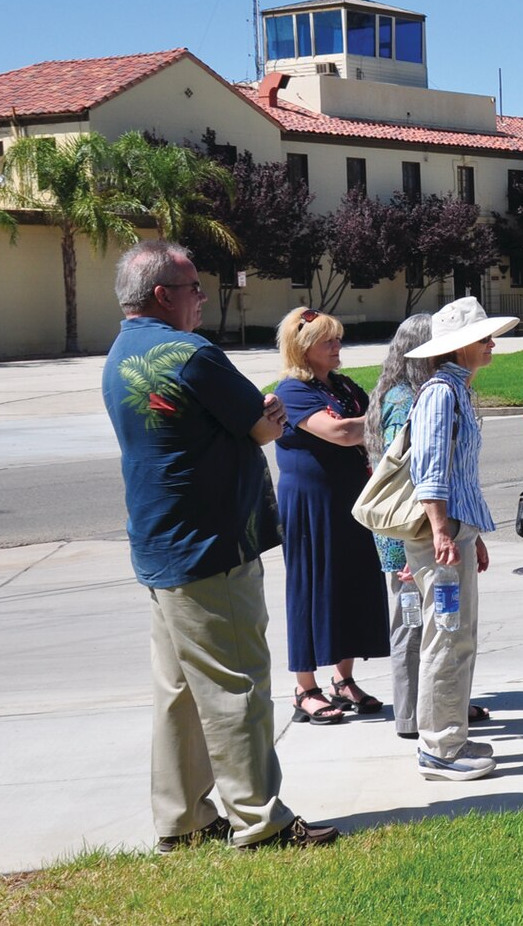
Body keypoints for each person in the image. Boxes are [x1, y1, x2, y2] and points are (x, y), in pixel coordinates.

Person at [100, 240, 337, 851]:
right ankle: (260, 821)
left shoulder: (120, 352)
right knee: (238, 687)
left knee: (179, 694)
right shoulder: (190, 354)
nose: (200, 299)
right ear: (161, 296)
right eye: (192, 289)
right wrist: (272, 414)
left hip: (159, 544)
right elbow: (260, 423)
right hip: (211, 545)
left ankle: (184, 820)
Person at [402, 296, 519, 781]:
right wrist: (443, 531)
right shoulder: (440, 394)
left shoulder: (454, 391)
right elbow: (429, 470)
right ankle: (440, 748)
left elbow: (457, 475)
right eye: (484, 337)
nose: (492, 344)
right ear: (461, 346)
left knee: (456, 636)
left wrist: (470, 531)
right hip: (443, 538)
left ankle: (449, 738)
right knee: (446, 637)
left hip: (454, 532)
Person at [272, 308, 391, 728]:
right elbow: (341, 433)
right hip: (310, 502)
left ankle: (344, 680)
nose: (338, 346)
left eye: (338, 338)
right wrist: (388, 422)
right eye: (328, 341)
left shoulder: (340, 386)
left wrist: (381, 418)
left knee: (350, 584)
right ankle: (305, 688)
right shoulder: (292, 391)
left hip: (350, 499)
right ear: (303, 347)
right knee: (310, 585)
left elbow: (372, 411)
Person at [365, 313, 434, 740]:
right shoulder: (402, 403)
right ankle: (411, 716)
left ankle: (435, 704)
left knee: (428, 622)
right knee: (410, 624)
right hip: (403, 534)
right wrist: (409, 544)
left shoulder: (406, 394)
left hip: (411, 531)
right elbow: (405, 475)